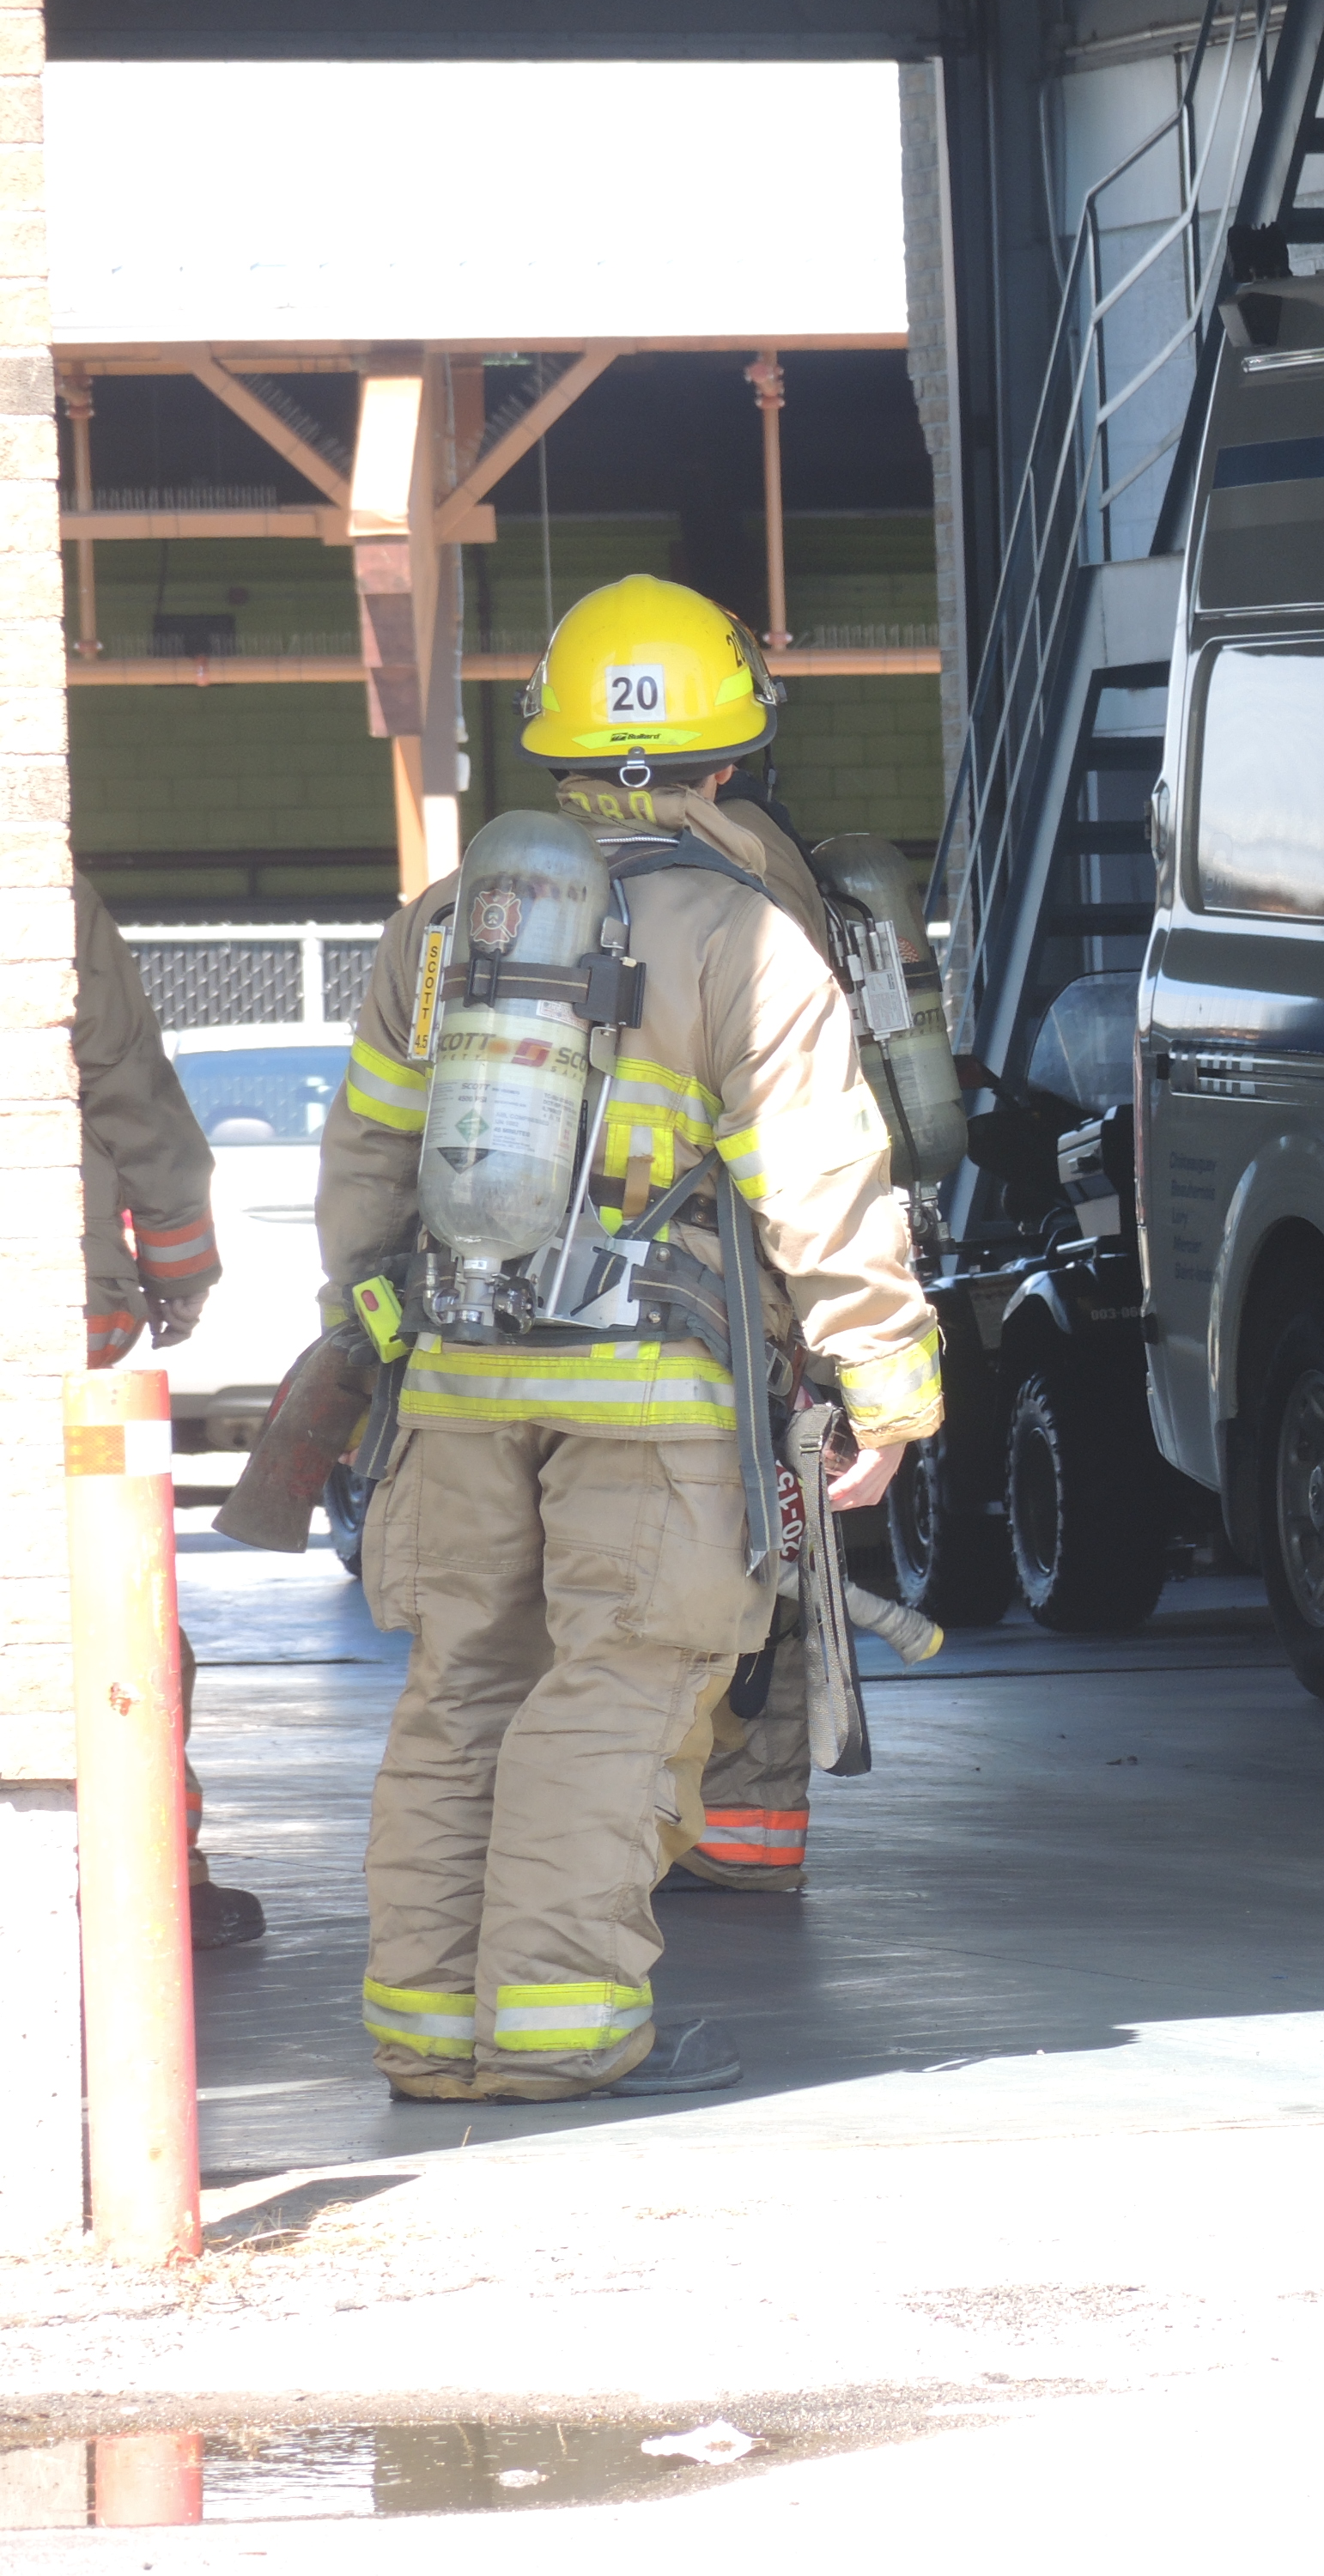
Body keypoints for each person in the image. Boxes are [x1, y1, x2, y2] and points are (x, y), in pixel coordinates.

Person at [319, 576, 944, 2101]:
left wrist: (368, 1342)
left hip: (457, 1381)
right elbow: (822, 1185)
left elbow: (369, 1167)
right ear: (728, 757)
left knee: (461, 1689)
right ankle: (557, 2034)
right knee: (614, 1693)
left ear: (556, 747)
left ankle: (427, 2035)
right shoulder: (748, 936)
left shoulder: (444, 928)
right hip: (656, 1400)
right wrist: (887, 1384)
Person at [544, 579, 857, 1899]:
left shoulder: (486, 891)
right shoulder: (758, 882)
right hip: (711, 1315)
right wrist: (865, 1364)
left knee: (555, 1619)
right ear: (731, 750)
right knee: (748, 1562)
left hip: (512, 1329)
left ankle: (583, 1856)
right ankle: (740, 1829)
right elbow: (815, 1138)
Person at [74, 881, 264, 1949]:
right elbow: (126, 1080)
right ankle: (153, 1869)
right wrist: (180, 1266)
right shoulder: (33, 883)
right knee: (110, 1597)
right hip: (52, 1312)